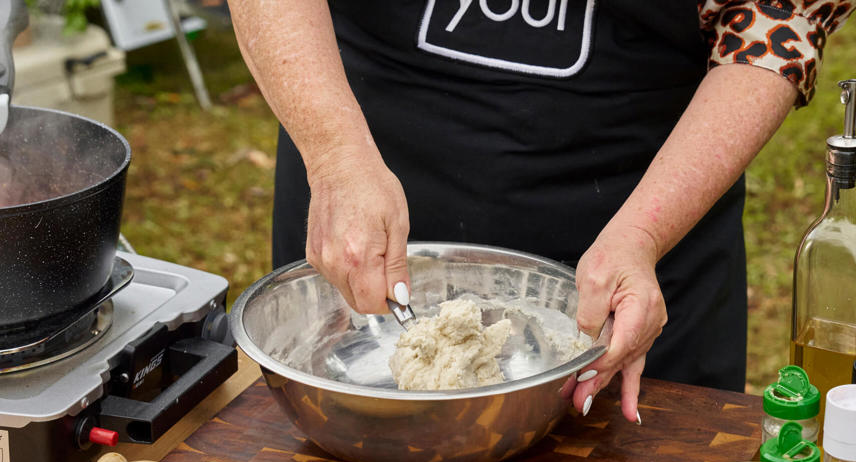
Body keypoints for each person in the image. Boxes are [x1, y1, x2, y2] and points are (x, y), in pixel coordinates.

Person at [228, 0, 854, 424]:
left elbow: (777, 25)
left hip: (644, 208)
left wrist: (643, 232)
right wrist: (334, 152)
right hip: (362, 154)